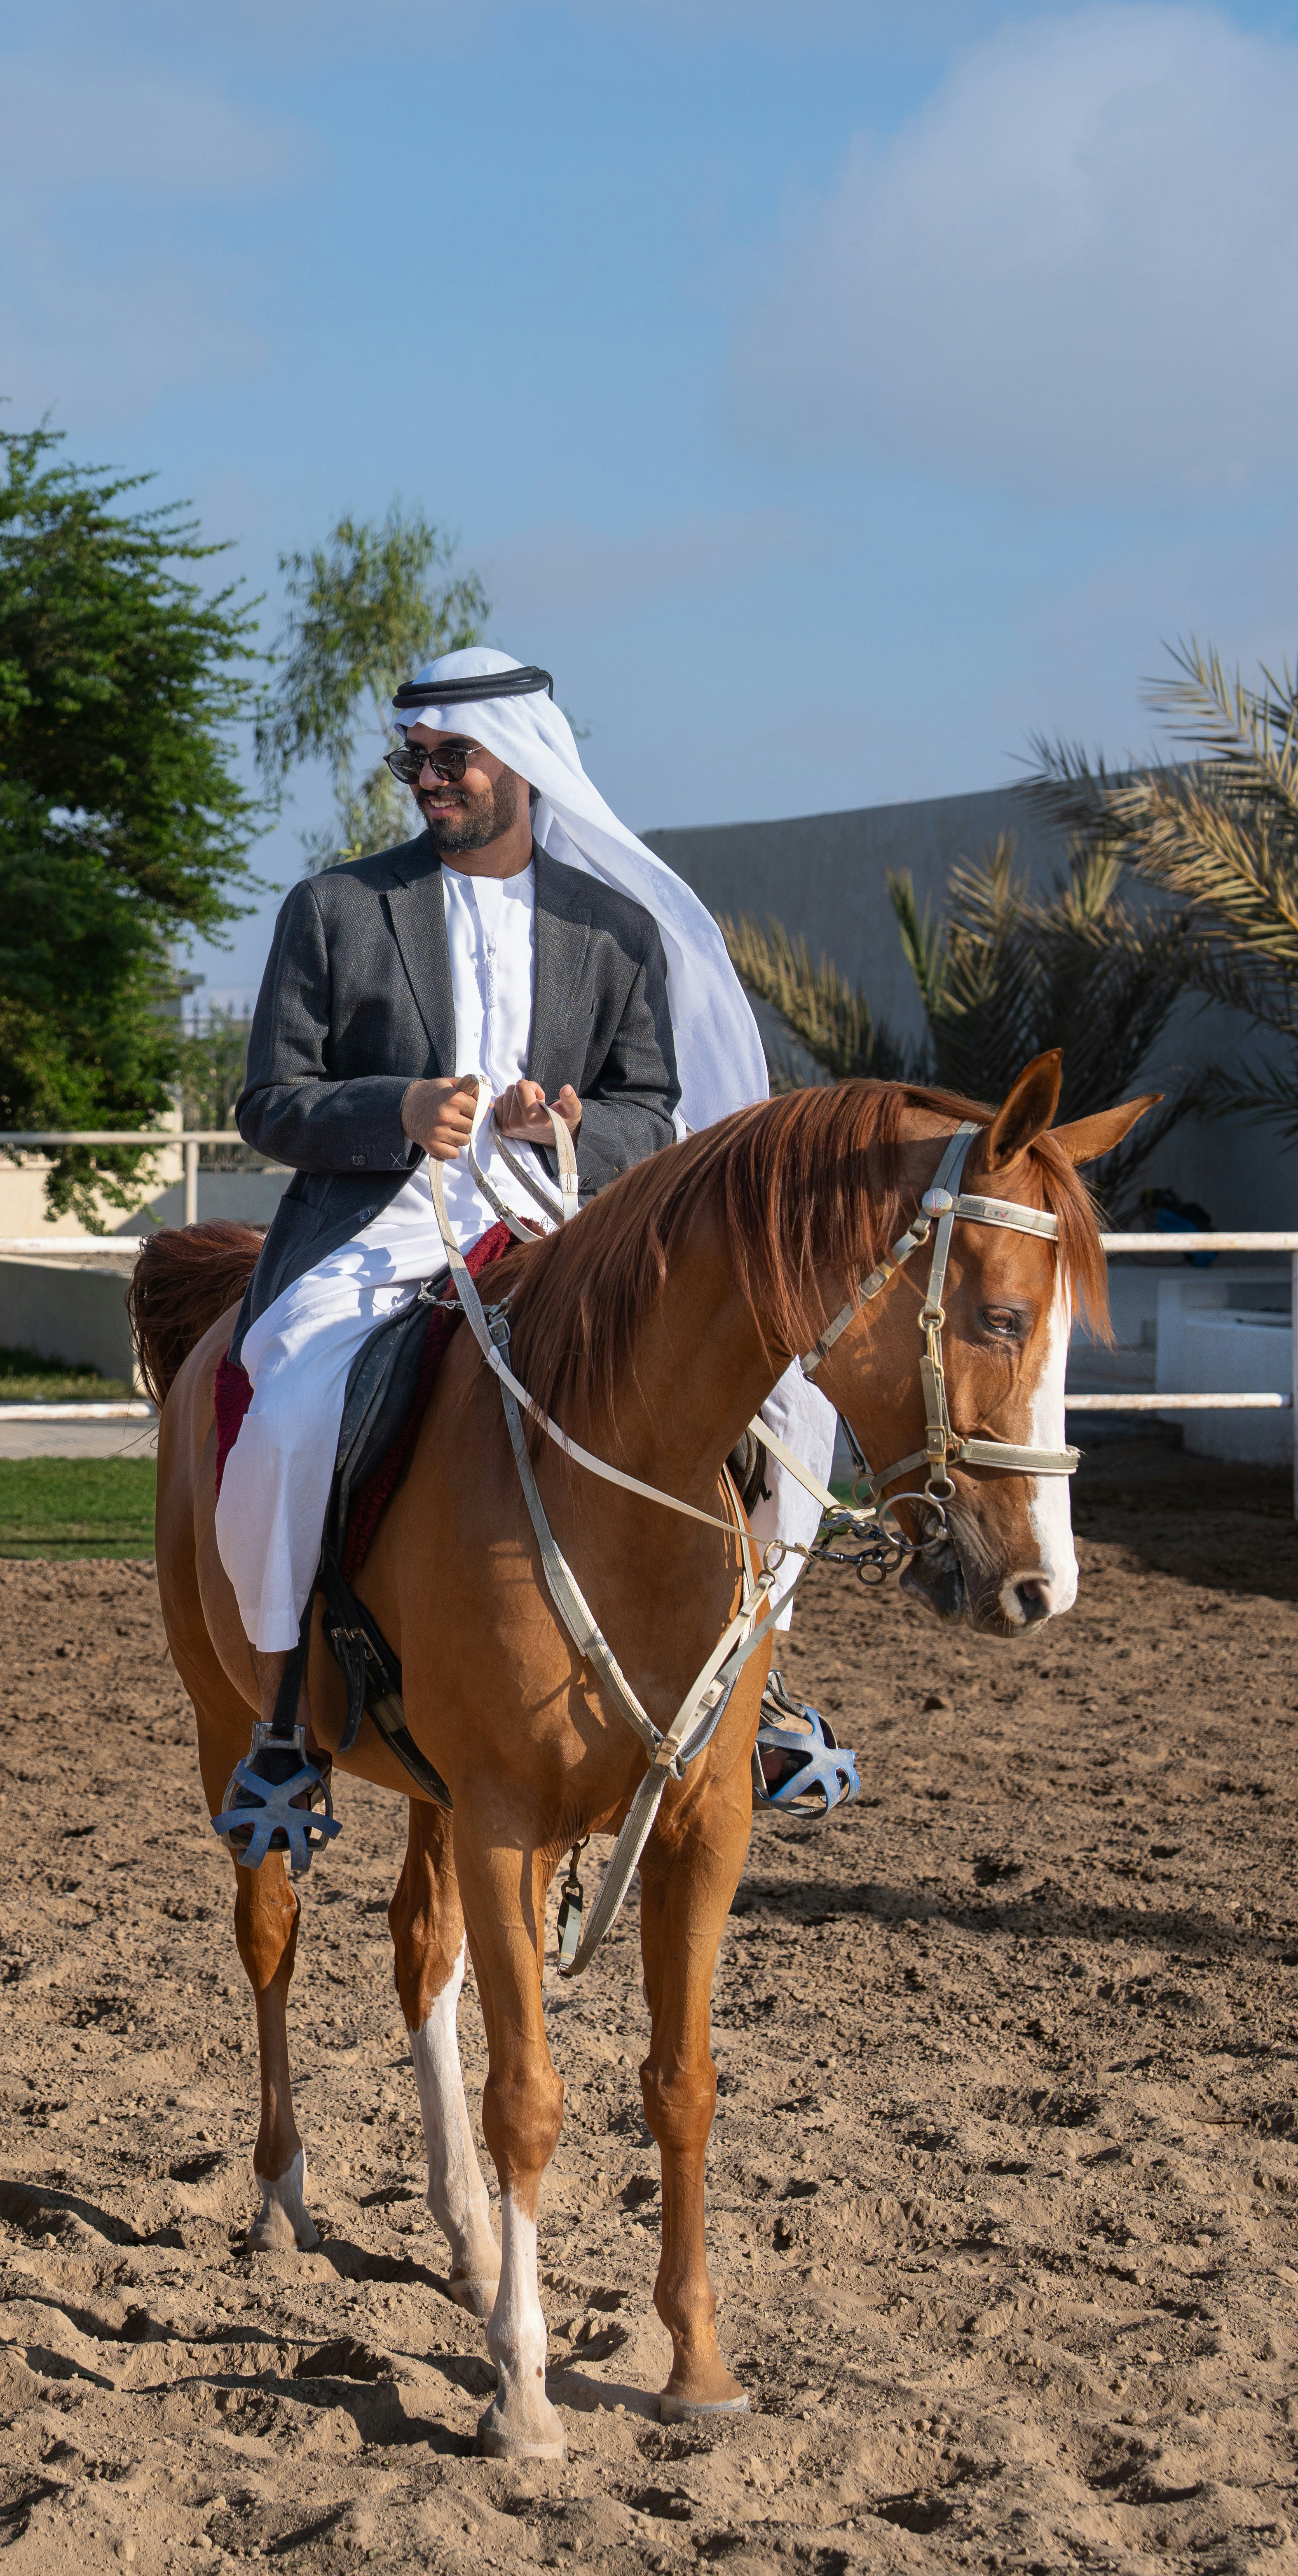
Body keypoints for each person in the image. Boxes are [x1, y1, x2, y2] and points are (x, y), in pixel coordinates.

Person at [222, 648, 851, 1827]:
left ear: (524, 761)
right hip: (381, 1229)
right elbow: (270, 1103)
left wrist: (567, 1123)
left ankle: (760, 1690)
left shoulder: (612, 930)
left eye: (450, 757)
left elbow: (648, 1108)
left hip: (564, 1227)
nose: (428, 779)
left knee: (771, 1410)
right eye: (414, 759)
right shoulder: (337, 908)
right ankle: (280, 1714)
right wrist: (398, 1112)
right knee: (295, 1417)